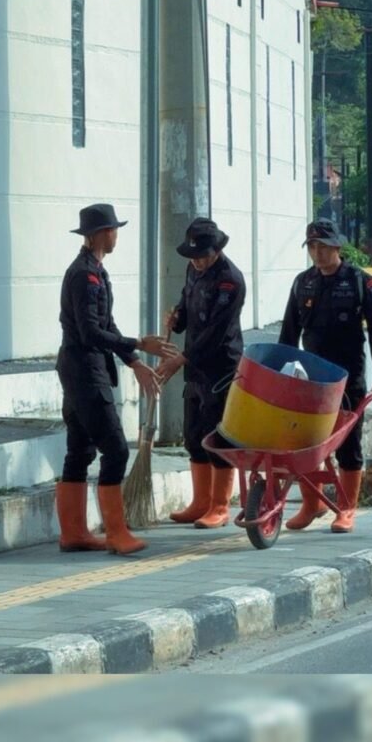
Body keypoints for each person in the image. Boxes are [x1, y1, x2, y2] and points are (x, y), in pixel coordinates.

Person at [55, 203, 176, 555]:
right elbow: (91, 332)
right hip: (84, 370)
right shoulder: (84, 275)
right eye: (112, 230)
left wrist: (135, 361)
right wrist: (138, 343)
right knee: (116, 449)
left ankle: (74, 533)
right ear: (100, 235)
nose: (115, 236)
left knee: (80, 450)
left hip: (81, 367)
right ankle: (116, 533)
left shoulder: (95, 271)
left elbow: (107, 325)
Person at [279, 220, 372, 533]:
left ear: (338, 247)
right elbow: (288, 334)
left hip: (347, 377)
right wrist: (281, 376)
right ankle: (311, 504)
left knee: (347, 445)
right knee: (304, 444)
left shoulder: (359, 281)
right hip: (310, 378)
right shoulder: (302, 283)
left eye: (324, 247)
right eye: (312, 246)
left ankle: (346, 509)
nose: (318, 253)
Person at [156, 218, 246, 529]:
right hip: (194, 365)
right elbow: (186, 304)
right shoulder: (193, 269)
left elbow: (216, 332)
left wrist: (180, 359)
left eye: (202, 256)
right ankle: (200, 502)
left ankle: (219, 506)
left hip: (220, 366)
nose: (196, 261)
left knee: (216, 435)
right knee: (194, 435)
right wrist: (176, 319)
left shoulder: (230, 280)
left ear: (216, 250)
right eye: (192, 256)